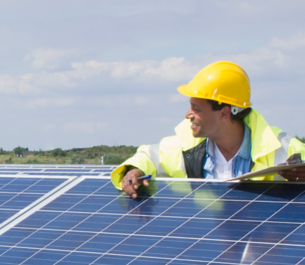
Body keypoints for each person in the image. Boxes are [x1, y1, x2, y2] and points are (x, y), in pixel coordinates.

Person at [114, 61, 305, 198]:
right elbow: (149, 156)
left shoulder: (282, 147)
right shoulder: (185, 146)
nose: (188, 114)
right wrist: (134, 170)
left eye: (196, 109)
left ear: (224, 113)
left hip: (262, 247)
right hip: (213, 247)